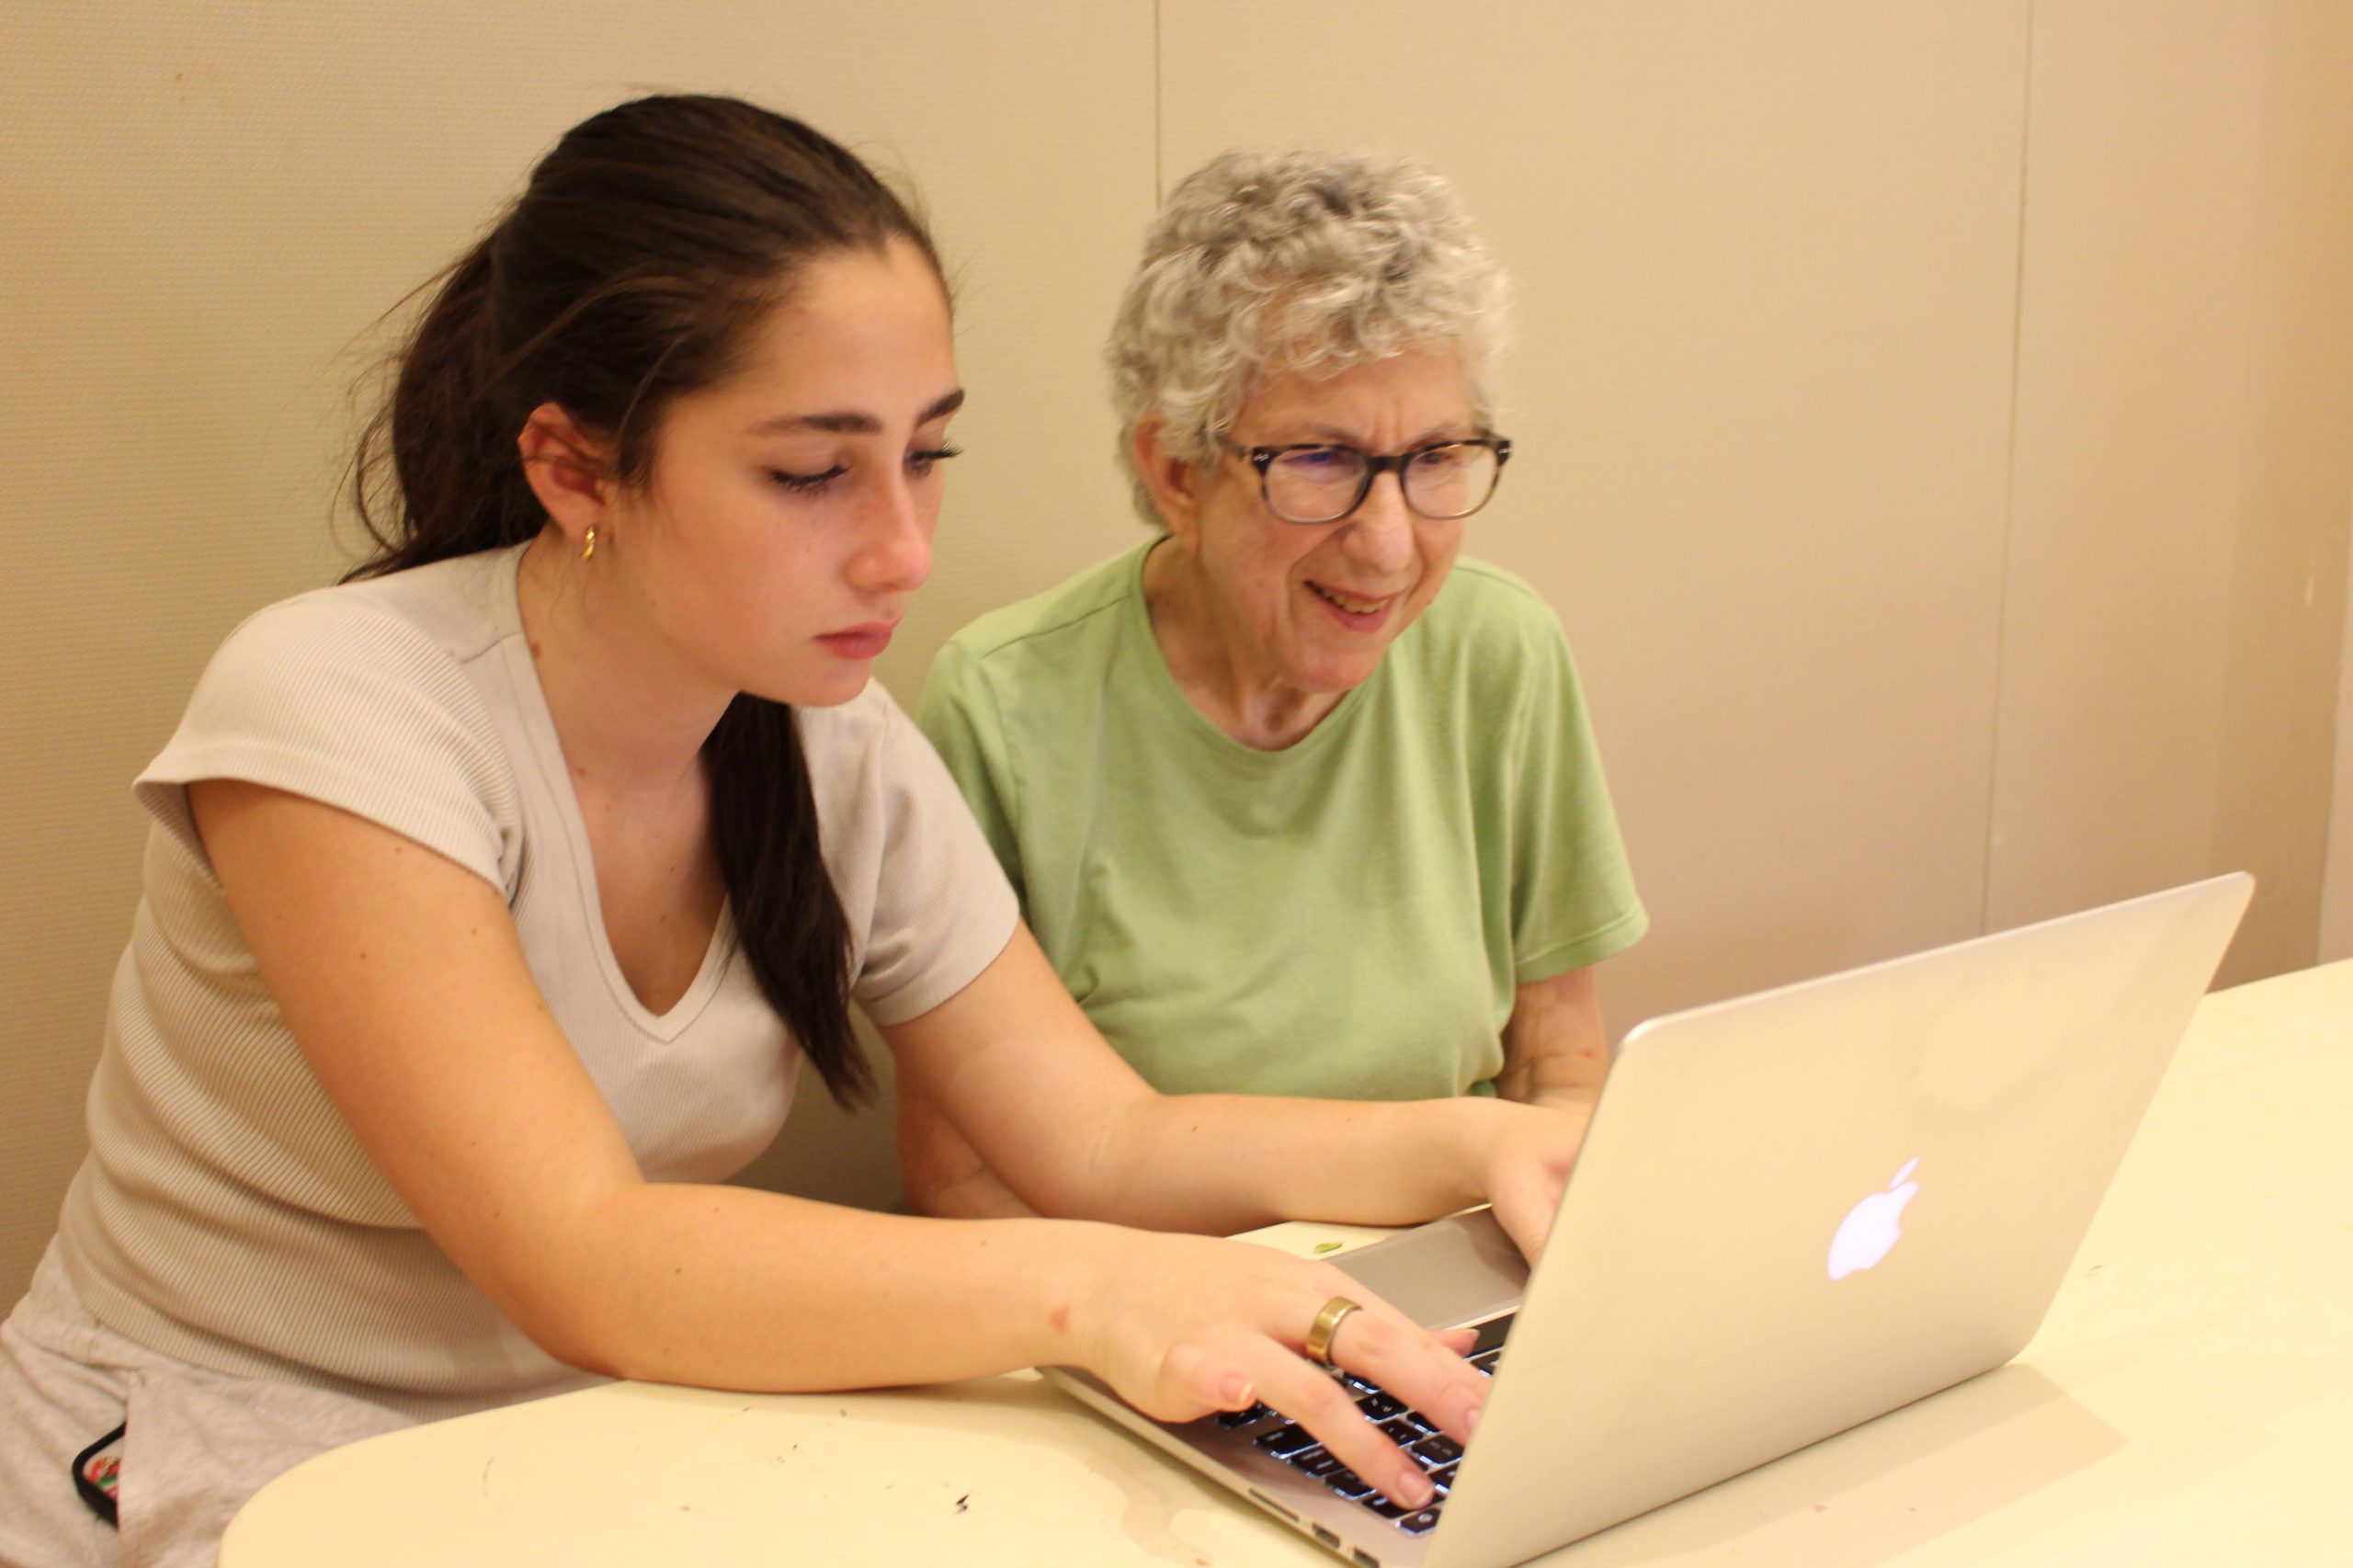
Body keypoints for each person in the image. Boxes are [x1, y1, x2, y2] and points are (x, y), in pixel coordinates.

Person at [0, 99, 1581, 1567]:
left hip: (597, 1445)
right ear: (574, 463)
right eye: (816, 472)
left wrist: (1481, 1142)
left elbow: (1102, 1139)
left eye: (926, 456)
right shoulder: (340, 708)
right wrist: (1099, 1291)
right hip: (220, 1455)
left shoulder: (834, 750)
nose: (900, 548)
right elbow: (583, 1250)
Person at [903, 150, 1647, 1221]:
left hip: (1444, 1289)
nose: (1389, 545)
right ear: (1175, 474)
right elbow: (962, 1175)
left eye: (1437, 454)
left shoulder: (1500, 650)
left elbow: (1558, 1075)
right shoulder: (1005, 708)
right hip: (1146, 1309)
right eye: (1319, 462)